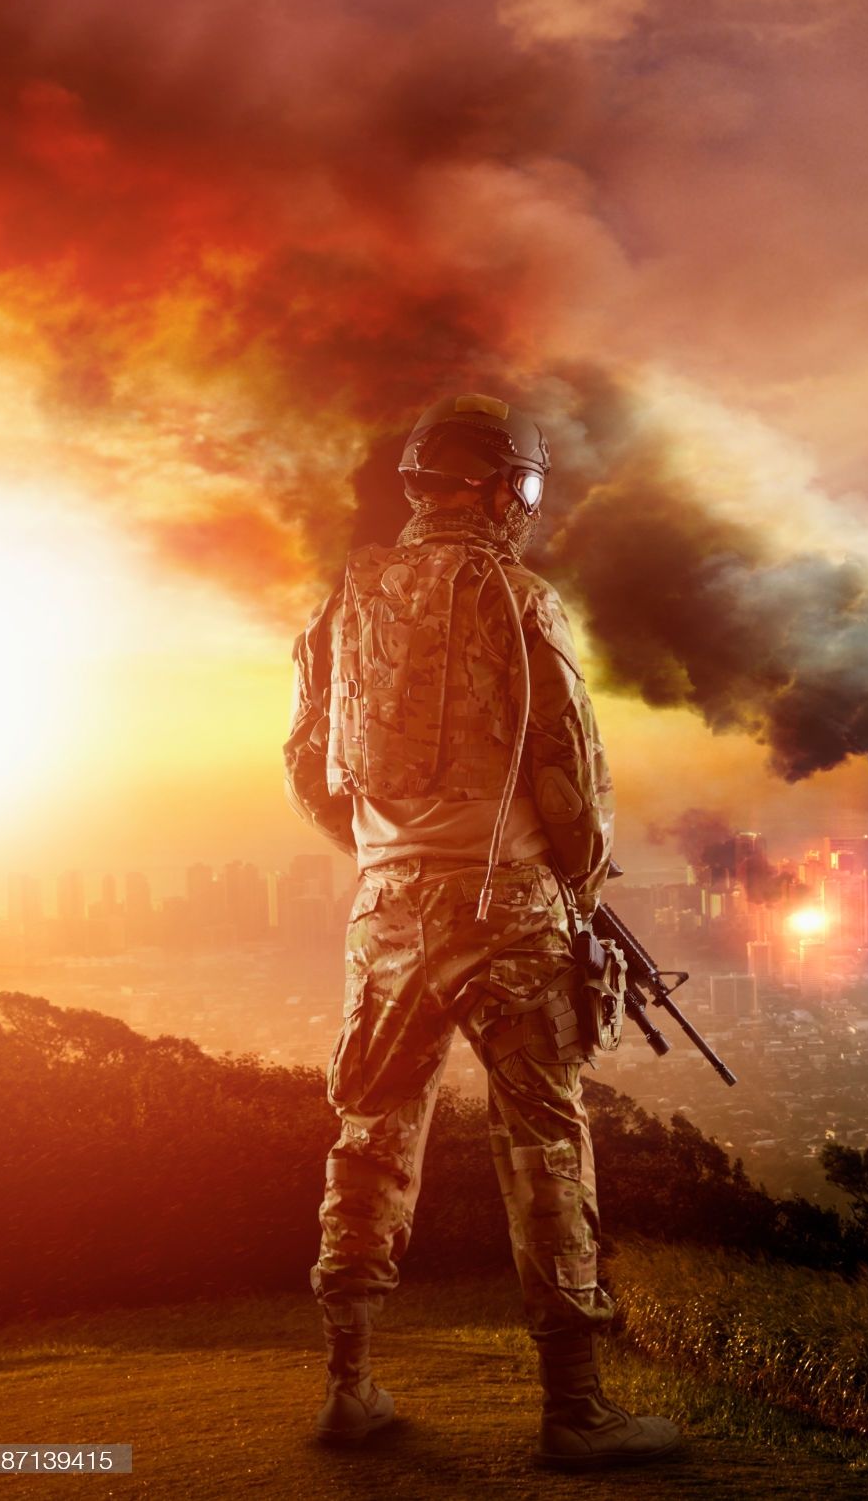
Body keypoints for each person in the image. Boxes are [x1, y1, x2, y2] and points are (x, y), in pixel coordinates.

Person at [283, 394, 680, 1467]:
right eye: (527, 487)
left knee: (369, 1129)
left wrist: (392, 856)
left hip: (385, 908)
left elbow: (308, 765)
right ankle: (575, 1408)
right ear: (505, 485)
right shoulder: (519, 599)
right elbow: (574, 781)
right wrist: (565, 885)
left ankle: (347, 1385)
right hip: (506, 906)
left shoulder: (344, 598)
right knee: (545, 1136)